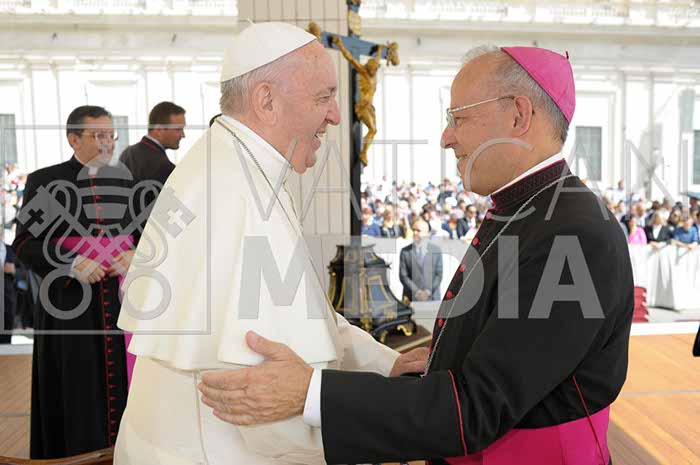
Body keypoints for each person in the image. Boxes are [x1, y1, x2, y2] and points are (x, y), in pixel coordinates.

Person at [199, 45, 635, 465]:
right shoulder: (531, 208)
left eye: (458, 118)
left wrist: (310, 393)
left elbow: (478, 407)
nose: (446, 138)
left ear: (518, 115)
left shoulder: (574, 234)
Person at [114, 22, 423, 465]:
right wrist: (389, 421)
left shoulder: (232, 163)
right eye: (323, 97)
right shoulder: (232, 189)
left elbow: (302, 310)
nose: (336, 115)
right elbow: (266, 400)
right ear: (266, 101)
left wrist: (383, 362)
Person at [12, 105, 140, 459]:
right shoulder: (46, 182)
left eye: (111, 135)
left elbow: (150, 238)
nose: (107, 143)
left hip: (120, 310)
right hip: (69, 312)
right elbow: (24, 244)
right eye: (98, 135)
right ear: (73, 139)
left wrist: (136, 257)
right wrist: (70, 264)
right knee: (76, 397)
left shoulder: (128, 182)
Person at [119, 101, 184, 193]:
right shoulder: (165, 167)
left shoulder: (127, 152)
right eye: (178, 129)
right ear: (159, 130)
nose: (183, 135)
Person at [400, 218, 442, 302]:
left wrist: (427, 292)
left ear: (427, 233)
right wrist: (417, 292)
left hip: (432, 298)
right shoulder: (405, 251)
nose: (415, 233)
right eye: (413, 230)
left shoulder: (436, 250)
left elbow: (438, 275)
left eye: (418, 230)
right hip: (411, 299)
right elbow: (403, 276)